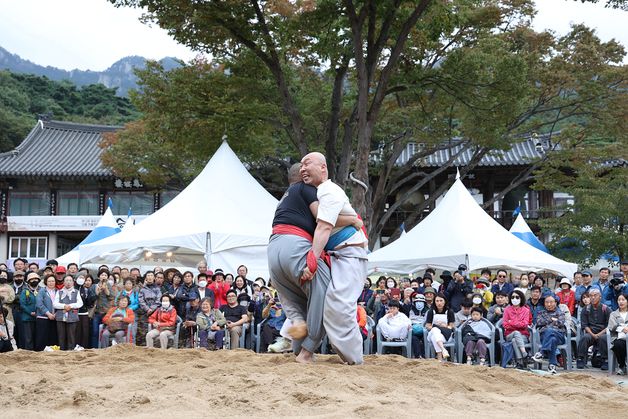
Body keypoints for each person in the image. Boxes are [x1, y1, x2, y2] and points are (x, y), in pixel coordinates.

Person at [268, 162, 359, 363]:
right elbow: (323, 218)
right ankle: (307, 351)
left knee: (294, 296)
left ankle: (297, 332)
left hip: (273, 251)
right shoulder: (306, 189)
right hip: (296, 246)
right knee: (327, 294)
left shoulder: (284, 198)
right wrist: (353, 219)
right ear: (303, 177)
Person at [532, 294, 567, 374]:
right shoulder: (541, 313)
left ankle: (542, 352)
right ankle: (552, 365)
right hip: (545, 337)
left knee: (549, 331)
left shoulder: (560, 313)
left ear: (555, 303)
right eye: (547, 302)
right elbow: (538, 322)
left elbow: (561, 323)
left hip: (559, 335)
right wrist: (552, 320)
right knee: (552, 339)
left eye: (551, 302)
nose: (549, 304)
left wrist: (548, 322)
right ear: (544, 303)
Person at [576, 288, 610, 370]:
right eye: (591, 296)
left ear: (600, 297)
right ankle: (581, 359)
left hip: (603, 332)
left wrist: (599, 334)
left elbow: (609, 325)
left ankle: (605, 360)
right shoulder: (586, 309)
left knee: (603, 338)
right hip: (591, 332)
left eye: (595, 295)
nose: (593, 297)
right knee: (585, 338)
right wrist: (593, 334)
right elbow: (585, 325)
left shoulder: (606, 309)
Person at [503, 290, 532, 369]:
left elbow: (525, 324)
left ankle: (520, 362)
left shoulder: (526, 310)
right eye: (512, 297)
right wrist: (518, 324)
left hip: (523, 335)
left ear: (521, 298)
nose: (514, 299)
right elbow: (505, 325)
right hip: (509, 334)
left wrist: (511, 322)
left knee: (514, 340)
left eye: (517, 297)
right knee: (516, 333)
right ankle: (525, 354)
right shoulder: (507, 310)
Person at [53, 275, 83, 350]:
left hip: (72, 316)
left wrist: (70, 306)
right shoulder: (59, 292)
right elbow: (55, 304)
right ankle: (62, 350)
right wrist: (64, 306)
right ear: (63, 282)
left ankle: (71, 350)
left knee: (71, 335)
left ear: (73, 282)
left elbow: (80, 303)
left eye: (70, 280)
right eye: (66, 280)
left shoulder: (76, 292)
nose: (68, 282)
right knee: (61, 335)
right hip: (60, 316)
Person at [424, 293, 455, 361]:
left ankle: (439, 358)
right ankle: (443, 349)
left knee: (435, 337)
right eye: (437, 301)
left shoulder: (449, 311)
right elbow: (427, 325)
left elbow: (452, 325)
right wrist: (435, 326)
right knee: (435, 329)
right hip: (432, 333)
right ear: (434, 302)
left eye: (441, 301)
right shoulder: (431, 311)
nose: (439, 303)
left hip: (446, 335)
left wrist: (445, 326)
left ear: (445, 301)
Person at [137, 272, 162, 347]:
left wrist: (152, 308)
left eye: (151, 275)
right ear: (146, 278)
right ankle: (143, 345)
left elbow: (159, 299)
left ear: (154, 278)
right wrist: (147, 309)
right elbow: (141, 300)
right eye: (148, 275)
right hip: (145, 311)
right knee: (143, 328)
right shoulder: (143, 289)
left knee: (155, 328)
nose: (150, 277)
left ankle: (154, 346)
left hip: (156, 311)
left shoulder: (158, 288)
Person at [35, 274, 58, 351]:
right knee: (42, 336)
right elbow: (39, 304)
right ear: (46, 282)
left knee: (52, 336)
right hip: (43, 317)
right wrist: (48, 313)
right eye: (49, 281)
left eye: (53, 281)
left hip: (55, 317)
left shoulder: (58, 291)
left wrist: (55, 314)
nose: (51, 283)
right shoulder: (42, 291)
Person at [18, 272, 41, 350]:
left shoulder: (42, 290)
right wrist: (30, 312)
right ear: (28, 281)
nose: (34, 280)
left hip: (40, 317)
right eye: (32, 279)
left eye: (35, 279)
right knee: (28, 337)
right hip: (27, 317)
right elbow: (22, 304)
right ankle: (29, 351)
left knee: (38, 336)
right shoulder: (25, 291)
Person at [608, 294, 628, 375]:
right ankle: (622, 365)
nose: (621, 302)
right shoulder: (613, 314)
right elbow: (612, 326)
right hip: (619, 338)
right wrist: (623, 328)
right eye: (619, 300)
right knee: (617, 344)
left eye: (623, 300)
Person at [77, 275, 96, 349]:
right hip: (77, 312)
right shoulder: (77, 289)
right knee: (78, 332)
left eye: (89, 280)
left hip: (87, 313)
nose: (87, 282)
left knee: (86, 332)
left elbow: (90, 303)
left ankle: (85, 347)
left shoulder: (92, 290)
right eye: (86, 280)